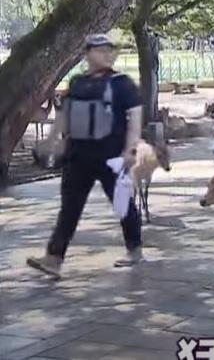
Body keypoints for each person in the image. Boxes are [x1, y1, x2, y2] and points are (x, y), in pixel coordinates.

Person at [27, 34, 146, 278]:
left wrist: (130, 149)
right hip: (78, 156)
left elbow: (135, 116)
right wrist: (52, 140)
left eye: (109, 50)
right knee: (69, 209)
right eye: (100, 50)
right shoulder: (78, 82)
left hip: (113, 156)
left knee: (123, 204)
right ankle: (53, 259)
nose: (106, 54)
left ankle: (135, 250)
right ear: (87, 53)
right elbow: (64, 114)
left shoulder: (122, 83)